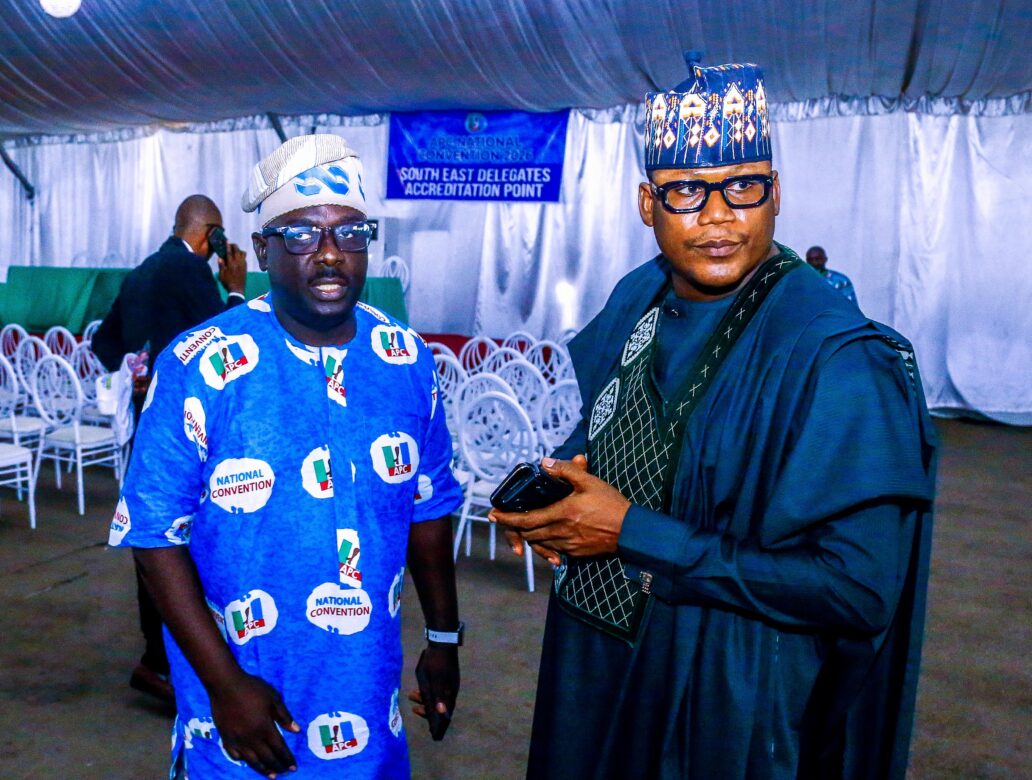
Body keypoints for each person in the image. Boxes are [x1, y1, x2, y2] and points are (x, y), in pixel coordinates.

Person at [492, 62, 937, 779]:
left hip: (721, 700)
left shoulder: (838, 358)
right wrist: (559, 499)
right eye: (687, 191)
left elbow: (855, 588)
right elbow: (606, 424)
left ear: (776, 193)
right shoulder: (639, 294)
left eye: (743, 186)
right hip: (595, 660)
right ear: (648, 203)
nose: (719, 215)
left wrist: (630, 532)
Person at [107, 134, 463, 778]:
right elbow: (154, 535)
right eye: (301, 235)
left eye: (350, 232)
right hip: (241, 713)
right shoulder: (198, 364)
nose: (329, 253)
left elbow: (430, 506)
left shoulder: (407, 359)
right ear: (263, 249)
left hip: (367, 702)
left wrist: (443, 637)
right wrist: (225, 687)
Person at [92, 194, 249, 706]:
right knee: (190, 544)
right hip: (190, 432)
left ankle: (156, 660)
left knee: (154, 536)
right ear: (210, 235)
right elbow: (229, 347)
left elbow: (105, 346)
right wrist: (235, 289)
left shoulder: (140, 272)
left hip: (148, 426)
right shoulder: (189, 270)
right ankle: (176, 664)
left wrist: (140, 367)